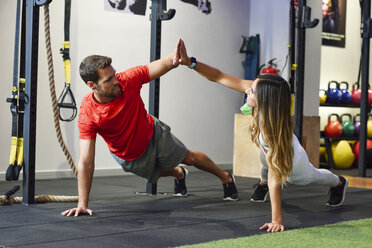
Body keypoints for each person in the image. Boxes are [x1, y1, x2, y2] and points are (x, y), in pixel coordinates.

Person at [177, 39, 348, 232]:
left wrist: (277, 220)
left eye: (251, 91)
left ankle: (339, 181)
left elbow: (276, 179)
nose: (247, 91)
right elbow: (218, 76)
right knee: (263, 160)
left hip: (295, 165)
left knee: (312, 175)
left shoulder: (272, 134)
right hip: (268, 149)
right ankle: (261, 183)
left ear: (265, 101)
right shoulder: (261, 97)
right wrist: (190, 62)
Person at [61, 39, 238, 217]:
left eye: (114, 74)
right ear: (92, 86)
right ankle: (179, 174)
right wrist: (82, 204)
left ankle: (225, 177)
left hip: (154, 135)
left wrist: (176, 58)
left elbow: (163, 63)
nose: (116, 81)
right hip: (127, 155)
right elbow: (86, 161)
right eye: (108, 80)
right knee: (156, 173)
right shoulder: (88, 113)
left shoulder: (127, 80)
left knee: (189, 158)